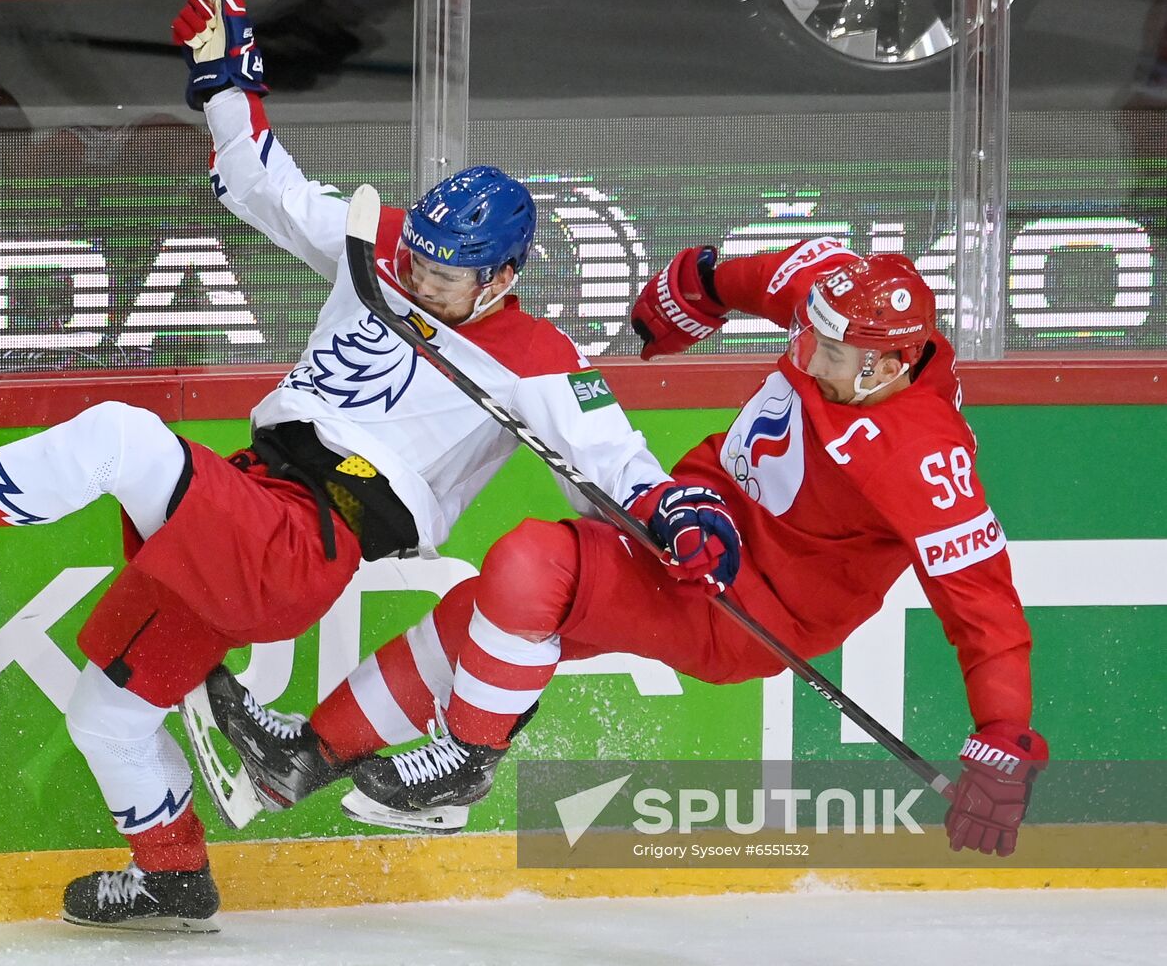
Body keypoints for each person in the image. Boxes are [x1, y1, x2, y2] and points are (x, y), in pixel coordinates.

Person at [0, 0, 736, 933]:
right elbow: (261, 183)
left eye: (446, 277)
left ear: (503, 278)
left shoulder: (541, 362)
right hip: (247, 513)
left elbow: (617, 465)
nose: (419, 277)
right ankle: (174, 876)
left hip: (305, 543)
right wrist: (225, 75)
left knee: (124, 437)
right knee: (107, 715)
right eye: (416, 257)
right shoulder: (384, 247)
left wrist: (680, 515)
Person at [206, 237, 1049, 858]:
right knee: (490, 614)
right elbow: (732, 275)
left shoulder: (923, 452)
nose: (806, 355)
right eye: (809, 334)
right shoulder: (830, 297)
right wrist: (686, 298)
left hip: (748, 610)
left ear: (891, 366)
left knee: (533, 562)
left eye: (829, 354)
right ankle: (303, 758)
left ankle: (465, 763)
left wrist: (1004, 731)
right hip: (686, 529)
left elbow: (983, 604)